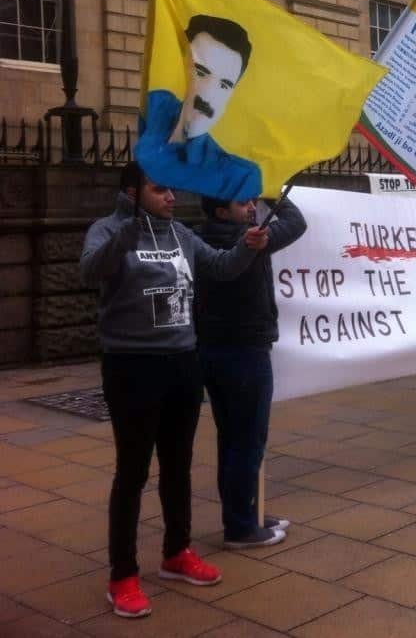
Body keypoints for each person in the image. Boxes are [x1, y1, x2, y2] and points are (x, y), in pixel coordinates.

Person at [80, 162, 268, 619]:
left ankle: (176, 552)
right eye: (160, 189)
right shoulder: (107, 229)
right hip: (132, 366)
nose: (170, 197)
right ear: (132, 191)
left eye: (172, 190)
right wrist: (127, 232)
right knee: (133, 472)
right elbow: (90, 270)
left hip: (183, 362)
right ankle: (122, 574)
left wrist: (248, 247)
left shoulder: (180, 235)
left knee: (178, 465)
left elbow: (220, 268)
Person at [195, 193, 307, 549]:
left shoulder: (196, 238)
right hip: (245, 351)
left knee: (231, 440)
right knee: (248, 441)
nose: (250, 208)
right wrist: (271, 188)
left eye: (252, 202)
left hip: (211, 350)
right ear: (220, 211)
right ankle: (242, 526)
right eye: (243, 203)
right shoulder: (249, 239)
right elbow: (296, 222)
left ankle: (245, 513)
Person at [136, 15, 262, 201]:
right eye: (200, 72)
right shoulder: (153, 107)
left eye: (225, 85)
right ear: (180, 68)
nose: (208, 93)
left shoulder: (239, 176)